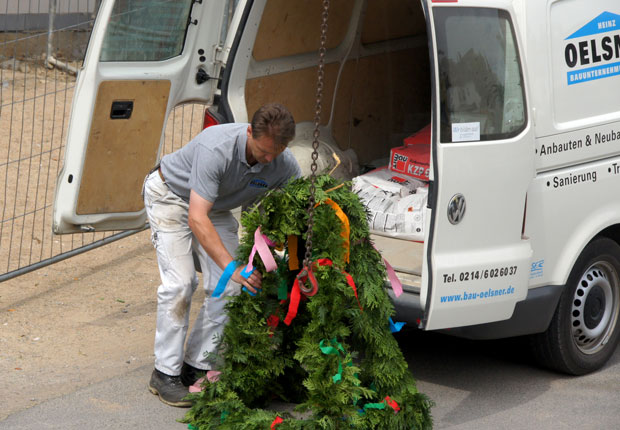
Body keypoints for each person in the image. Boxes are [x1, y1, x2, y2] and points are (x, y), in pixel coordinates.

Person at [142, 103, 301, 407]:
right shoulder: (216, 146)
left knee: (229, 286)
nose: (268, 160)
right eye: (263, 151)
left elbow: (294, 220)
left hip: (215, 207)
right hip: (171, 197)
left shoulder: (285, 164)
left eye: (275, 154)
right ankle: (164, 374)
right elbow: (196, 218)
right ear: (250, 131)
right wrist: (234, 267)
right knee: (181, 283)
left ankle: (196, 364)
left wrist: (294, 266)